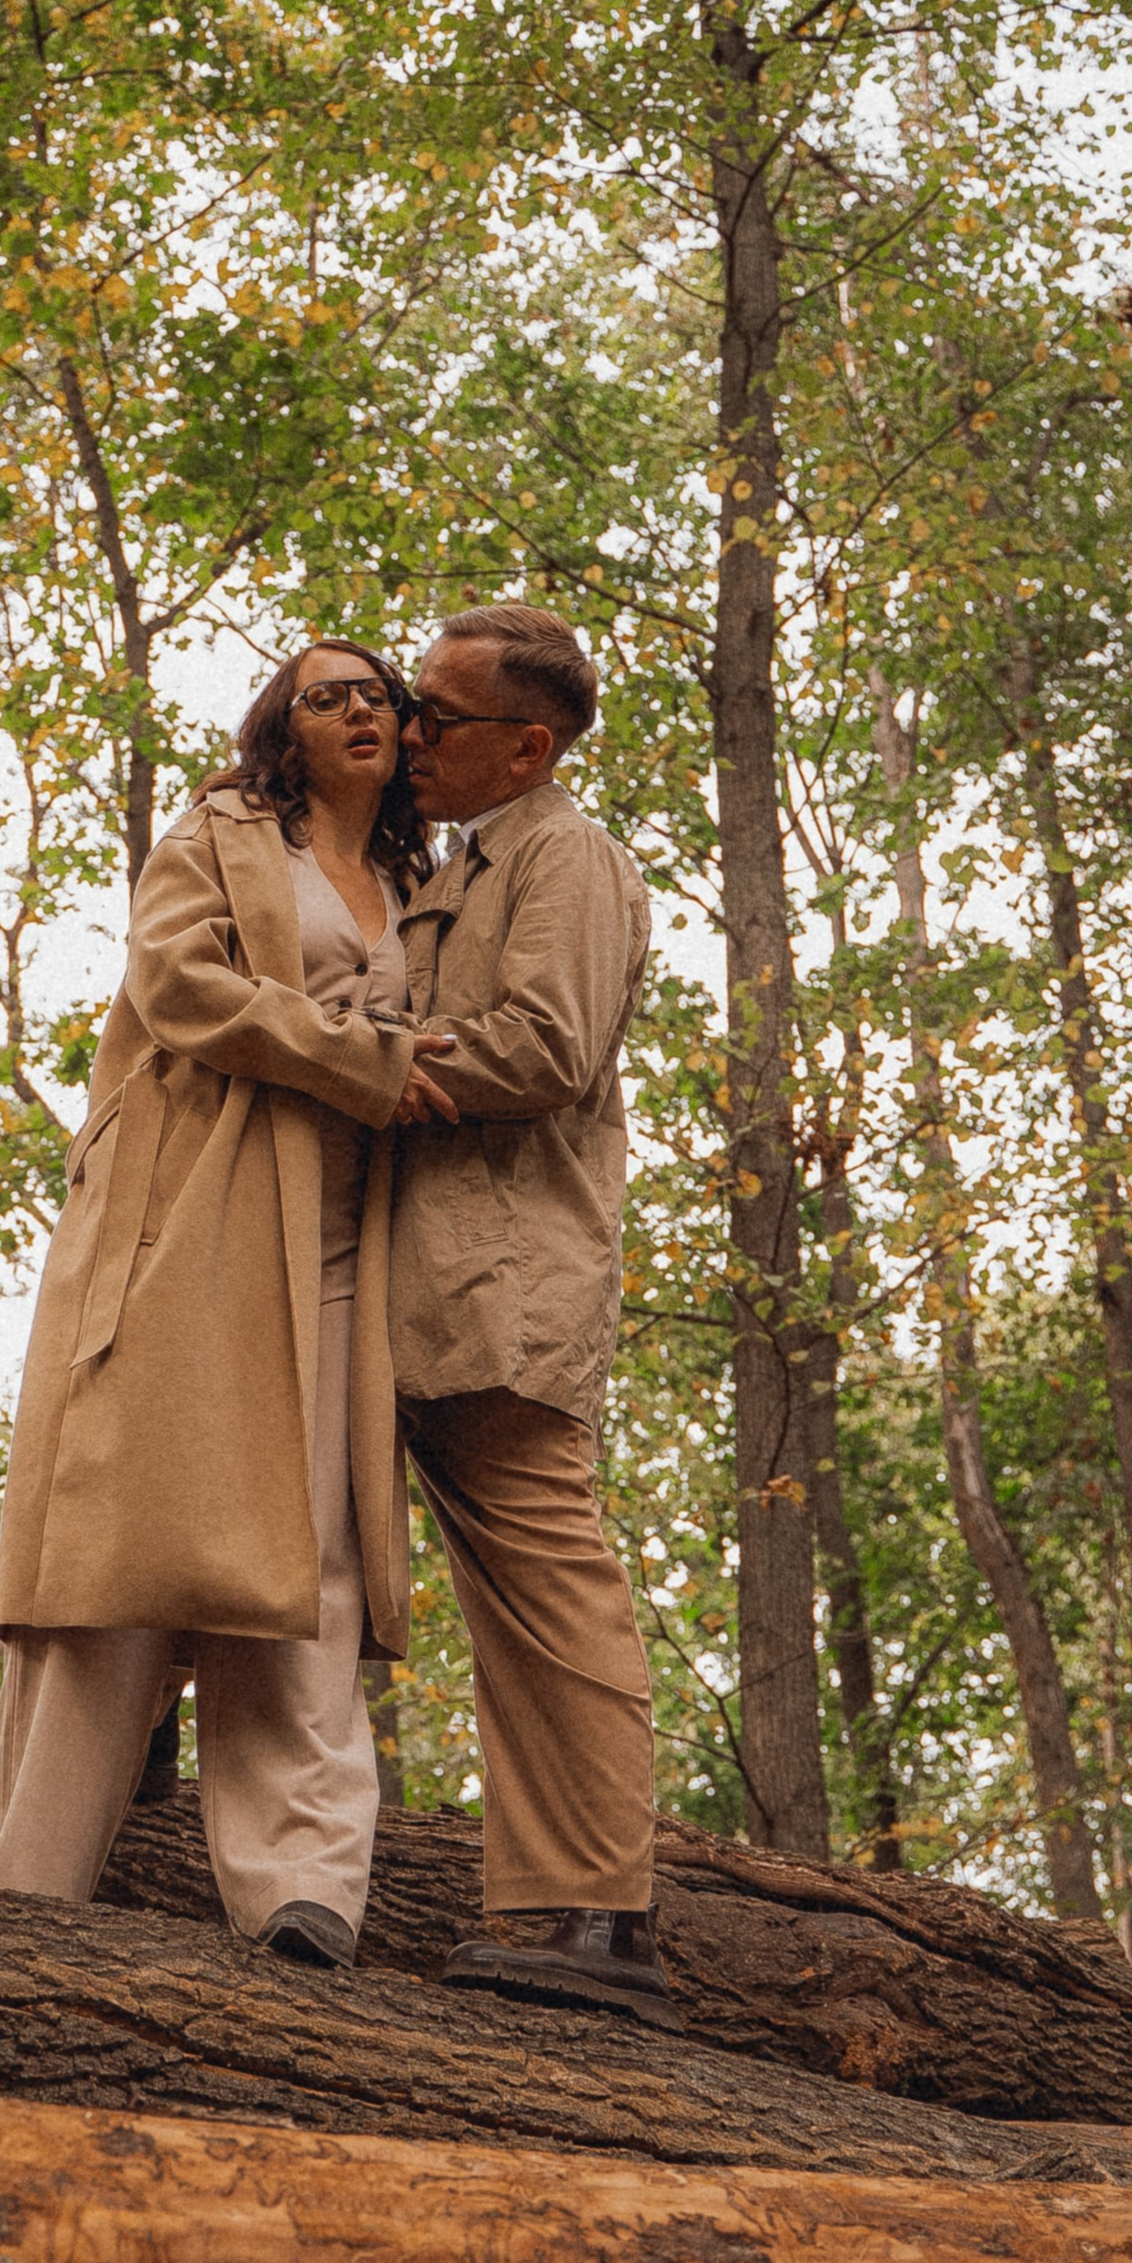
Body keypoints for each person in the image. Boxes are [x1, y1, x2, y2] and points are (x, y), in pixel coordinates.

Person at [0, 639, 456, 1964]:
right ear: (281, 732)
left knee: (314, 1554)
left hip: (350, 1239)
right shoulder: (222, 834)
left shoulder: (421, 882)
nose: (357, 709)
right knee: (128, 1539)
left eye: (377, 694)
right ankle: (25, 1897)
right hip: (198, 1209)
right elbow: (178, 987)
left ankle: (304, 1893)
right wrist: (361, 1059)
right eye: (323, 696)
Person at [391, 600, 673, 2019]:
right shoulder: (453, 864)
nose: (410, 733)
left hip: (502, 1282)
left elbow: (547, 1047)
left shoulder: (569, 856)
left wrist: (343, 1049)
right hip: (412, 1274)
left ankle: (593, 1921)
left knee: (549, 1584)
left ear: (527, 748)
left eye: (438, 716)